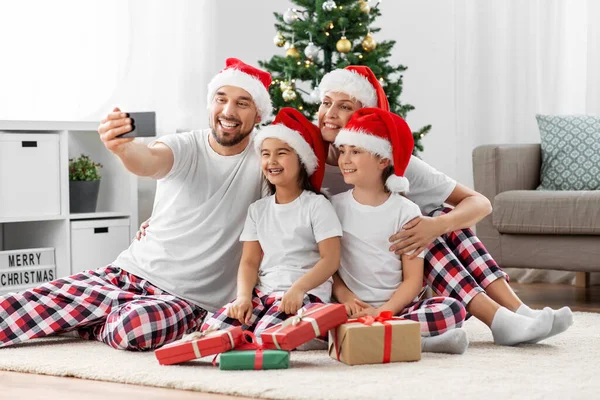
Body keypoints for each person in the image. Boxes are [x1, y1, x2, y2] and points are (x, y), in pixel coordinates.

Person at [0, 58, 273, 351]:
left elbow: (309, 168)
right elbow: (148, 161)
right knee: (19, 305)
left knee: (132, 328)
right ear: (210, 104)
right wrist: (123, 148)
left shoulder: (267, 158)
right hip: (128, 274)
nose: (228, 111)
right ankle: (87, 319)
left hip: (189, 300)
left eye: (242, 103)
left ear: (258, 114)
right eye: (221, 99)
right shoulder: (184, 145)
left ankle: (86, 322)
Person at [316, 65, 573, 344]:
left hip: (400, 277)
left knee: (437, 219)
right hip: (338, 280)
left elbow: (480, 204)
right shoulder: (306, 159)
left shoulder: (391, 159)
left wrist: (438, 225)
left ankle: (517, 312)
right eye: (326, 103)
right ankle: (492, 320)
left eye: (344, 106)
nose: (330, 114)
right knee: (426, 227)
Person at [202, 108, 342, 343]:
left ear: (301, 159)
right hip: (265, 294)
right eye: (265, 154)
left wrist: (299, 289)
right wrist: (243, 298)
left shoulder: (317, 205)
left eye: (282, 153)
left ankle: (310, 335)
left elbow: (330, 259)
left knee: (261, 338)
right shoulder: (258, 210)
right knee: (212, 331)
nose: (272, 161)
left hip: (304, 296)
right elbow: (249, 262)